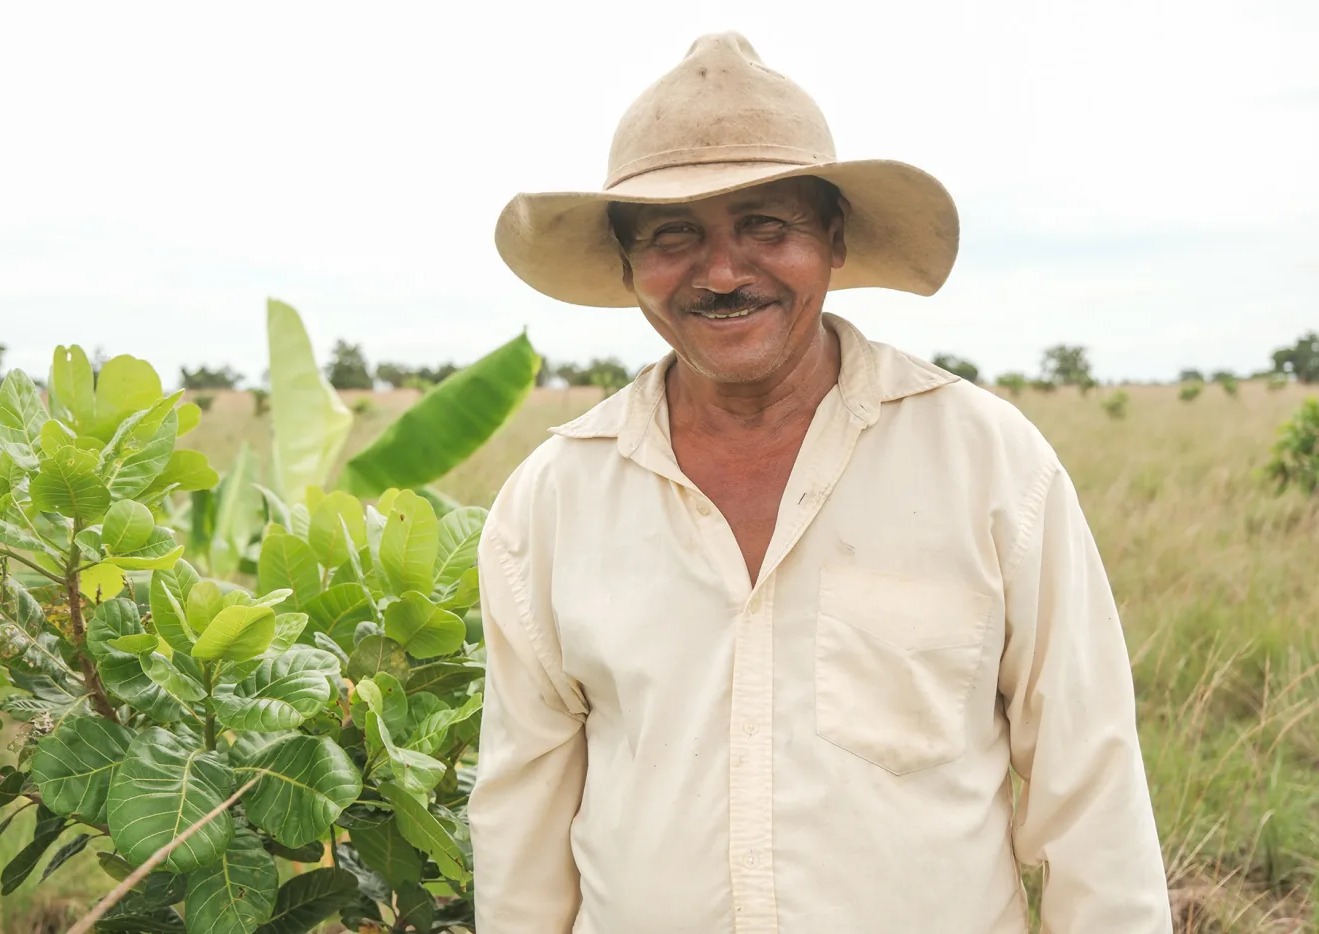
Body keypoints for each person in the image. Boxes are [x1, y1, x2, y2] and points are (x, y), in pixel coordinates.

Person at [469, 31, 1172, 933]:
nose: (722, 273)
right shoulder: (552, 501)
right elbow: (522, 817)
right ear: (627, 265)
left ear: (833, 239)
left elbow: (1092, 788)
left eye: (768, 226)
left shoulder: (988, 460)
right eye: (673, 235)